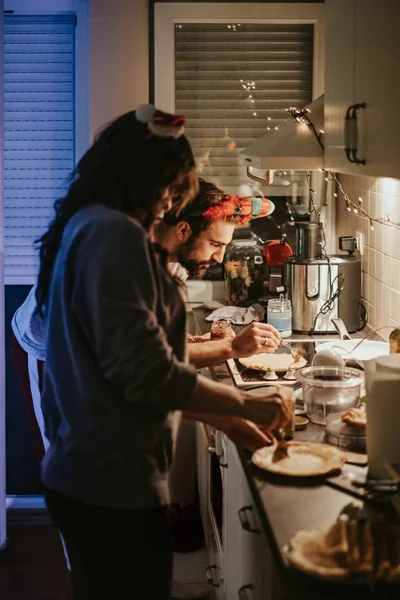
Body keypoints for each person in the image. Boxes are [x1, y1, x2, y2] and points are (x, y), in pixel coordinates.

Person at [32, 104, 289, 600]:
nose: (169, 206)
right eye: (171, 191)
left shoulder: (90, 225)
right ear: (144, 178)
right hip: (110, 486)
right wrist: (245, 403)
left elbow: (126, 375)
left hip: (91, 477)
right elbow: (146, 375)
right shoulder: (114, 235)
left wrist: (224, 419)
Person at [154, 179, 281, 564]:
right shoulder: (137, 273)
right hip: (42, 350)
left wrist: (195, 341)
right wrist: (242, 403)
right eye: (216, 244)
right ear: (182, 230)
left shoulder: (166, 269)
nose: (222, 258)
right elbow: (151, 371)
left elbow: (156, 349)